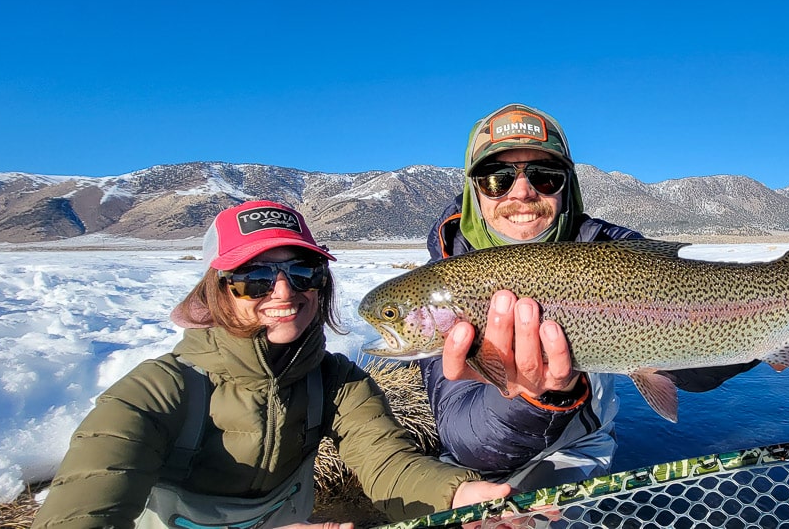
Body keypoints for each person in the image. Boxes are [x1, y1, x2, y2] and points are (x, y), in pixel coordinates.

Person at [422, 103, 789, 492]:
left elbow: (688, 359)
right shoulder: (443, 279)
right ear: (473, 191)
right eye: (497, 178)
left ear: (566, 187)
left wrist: (769, 337)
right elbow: (466, 438)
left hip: (577, 452)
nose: (521, 192)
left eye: (544, 175)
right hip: (466, 469)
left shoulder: (615, 251)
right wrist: (534, 398)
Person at [33, 200, 509, 529]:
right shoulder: (151, 395)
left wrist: (458, 494)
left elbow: (391, 466)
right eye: (254, 278)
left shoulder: (338, 383)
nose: (284, 292)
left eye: (302, 272)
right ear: (215, 290)